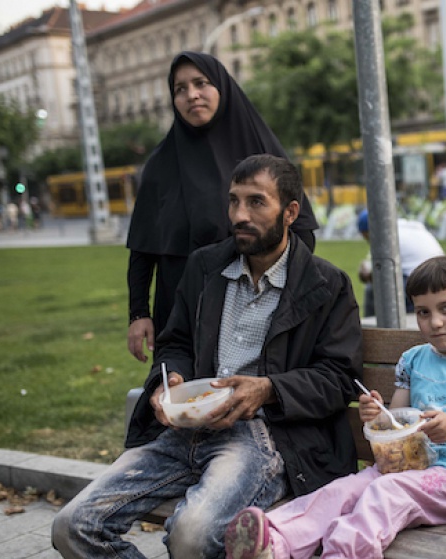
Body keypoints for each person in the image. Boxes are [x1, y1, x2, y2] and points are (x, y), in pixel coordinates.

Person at [52, 154, 363, 559]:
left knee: (192, 534)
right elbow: (175, 342)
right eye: (234, 201)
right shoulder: (204, 267)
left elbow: (340, 378)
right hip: (184, 426)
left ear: (290, 212)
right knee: (73, 526)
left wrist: (268, 389)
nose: (239, 214)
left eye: (256, 202)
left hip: (260, 435)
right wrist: (169, 379)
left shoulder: (326, 284)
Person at [218, 255, 446, 559]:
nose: (435, 322)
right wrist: (375, 413)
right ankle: (268, 548)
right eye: (423, 312)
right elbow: (394, 422)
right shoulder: (413, 360)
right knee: (341, 491)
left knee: (385, 493)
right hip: (401, 465)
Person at [127, 51, 319, 364]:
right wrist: (138, 314)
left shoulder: (261, 152)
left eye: (201, 83)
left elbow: (302, 233)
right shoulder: (161, 165)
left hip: (257, 309)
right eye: (180, 89)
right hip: (181, 311)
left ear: (222, 87)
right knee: (181, 399)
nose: (192, 95)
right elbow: (143, 247)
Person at [356, 209, 445, 317]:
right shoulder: (410, 227)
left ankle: (371, 328)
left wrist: (366, 273)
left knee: (374, 288)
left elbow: (375, 271)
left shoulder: (386, 237)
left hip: (420, 280)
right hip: (442, 275)